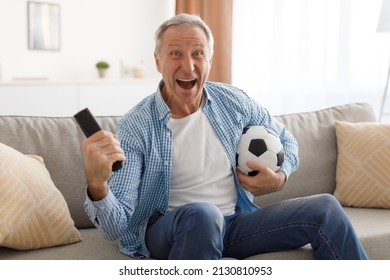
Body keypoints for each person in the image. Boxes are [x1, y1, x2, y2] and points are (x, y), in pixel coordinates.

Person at [82, 13, 368, 260]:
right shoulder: (136, 125)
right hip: (169, 229)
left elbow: (287, 140)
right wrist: (97, 185)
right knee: (204, 215)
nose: (188, 66)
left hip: (234, 223)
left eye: (198, 53)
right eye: (175, 53)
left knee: (326, 209)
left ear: (209, 59)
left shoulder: (234, 101)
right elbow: (116, 228)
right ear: (158, 61)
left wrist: (279, 177)